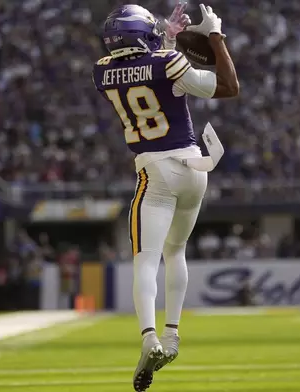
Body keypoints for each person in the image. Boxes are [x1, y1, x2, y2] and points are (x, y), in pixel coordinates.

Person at [92, 3, 239, 391]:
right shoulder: (168, 62)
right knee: (176, 253)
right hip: (194, 168)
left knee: (145, 259)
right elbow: (228, 87)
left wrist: (169, 36)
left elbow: (146, 70)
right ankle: (172, 334)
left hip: (155, 172)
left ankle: (150, 338)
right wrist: (215, 36)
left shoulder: (102, 71)